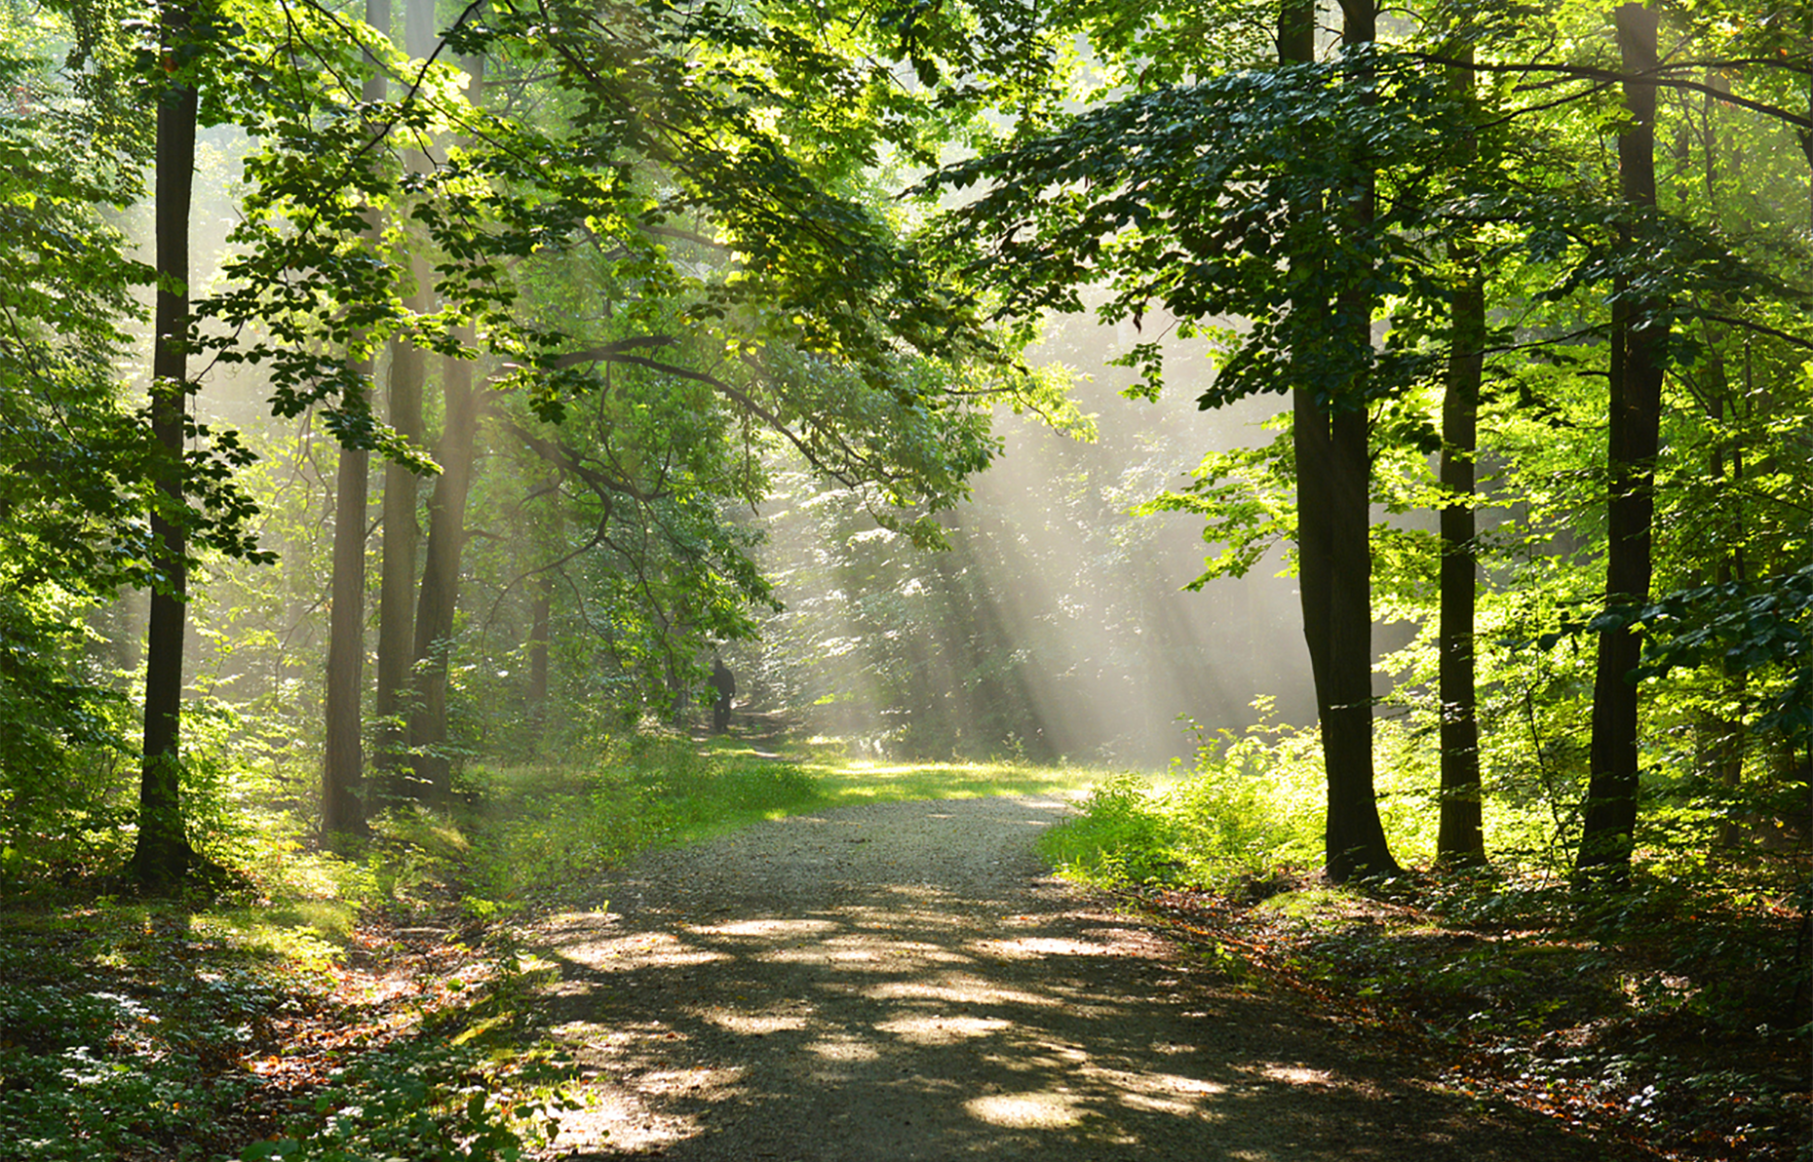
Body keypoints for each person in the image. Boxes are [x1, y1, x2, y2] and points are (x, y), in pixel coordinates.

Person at [709, 658, 736, 734]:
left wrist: (709, 694)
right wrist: (733, 692)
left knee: (717, 710)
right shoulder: (727, 672)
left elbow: (709, 684)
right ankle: (724, 724)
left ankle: (718, 726)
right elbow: (732, 683)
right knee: (726, 709)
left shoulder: (713, 673)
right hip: (725, 694)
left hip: (717, 694)